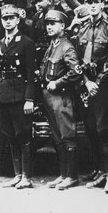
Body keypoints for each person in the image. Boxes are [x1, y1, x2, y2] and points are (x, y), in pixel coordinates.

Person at [72, 0, 108, 193]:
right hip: (86, 84)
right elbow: (76, 58)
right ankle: (100, 171)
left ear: (103, 4)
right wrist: (85, 81)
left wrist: (97, 82)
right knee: (90, 128)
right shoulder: (82, 29)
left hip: (105, 85)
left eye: (96, 1)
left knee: (104, 130)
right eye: (89, 1)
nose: (92, 5)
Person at [0, 5, 36, 189]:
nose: (8, 21)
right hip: (3, 95)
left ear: (18, 20)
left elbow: (31, 74)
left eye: (11, 18)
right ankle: (17, 175)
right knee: (9, 136)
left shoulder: (26, 43)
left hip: (19, 95)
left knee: (23, 136)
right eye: (5, 18)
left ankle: (27, 176)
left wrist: (29, 99)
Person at [40, 10, 83, 190]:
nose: (49, 27)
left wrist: (57, 83)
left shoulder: (67, 47)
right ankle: (63, 174)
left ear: (63, 26)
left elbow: (76, 72)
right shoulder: (53, 44)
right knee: (57, 137)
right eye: (48, 23)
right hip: (49, 96)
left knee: (67, 136)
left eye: (54, 23)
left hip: (61, 96)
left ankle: (72, 176)